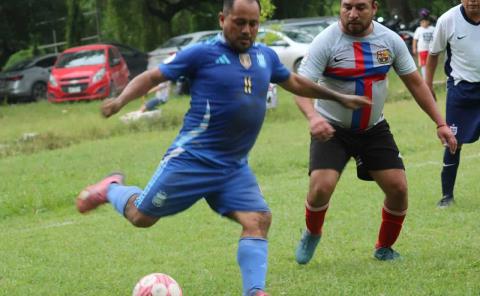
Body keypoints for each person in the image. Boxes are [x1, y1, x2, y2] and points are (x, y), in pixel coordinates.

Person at [75, 0, 370, 295]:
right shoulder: (201, 54)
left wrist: (338, 97)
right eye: (239, 23)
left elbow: (293, 81)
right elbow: (153, 77)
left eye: (253, 24)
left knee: (258, 219)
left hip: (233, 167)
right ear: (222, 19)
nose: (247, 30)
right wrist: (119, 101)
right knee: (142, 217)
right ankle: (111, 188)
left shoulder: (264, 56)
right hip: (192, 160)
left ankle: (254, 291)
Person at [293, 0, 457, 264]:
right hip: (331, 129)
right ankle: (312, 232)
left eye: (360, 7)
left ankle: (384, 248)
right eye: (347, 7)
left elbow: (415, 83)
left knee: (398, 188)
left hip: (373, 129)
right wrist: (313, 117)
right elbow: (300, 87)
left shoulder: (389, 41)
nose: (352, 14)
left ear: (374, 8)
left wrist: (440, 123)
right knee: (321, 187)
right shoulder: (326, 41)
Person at [425, 0, 480, 208]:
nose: (473, 1)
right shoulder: (448, 20)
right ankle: (447, 195)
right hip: (461, 89)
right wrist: (427, 86)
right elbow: (433, 55)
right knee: (453, 142)